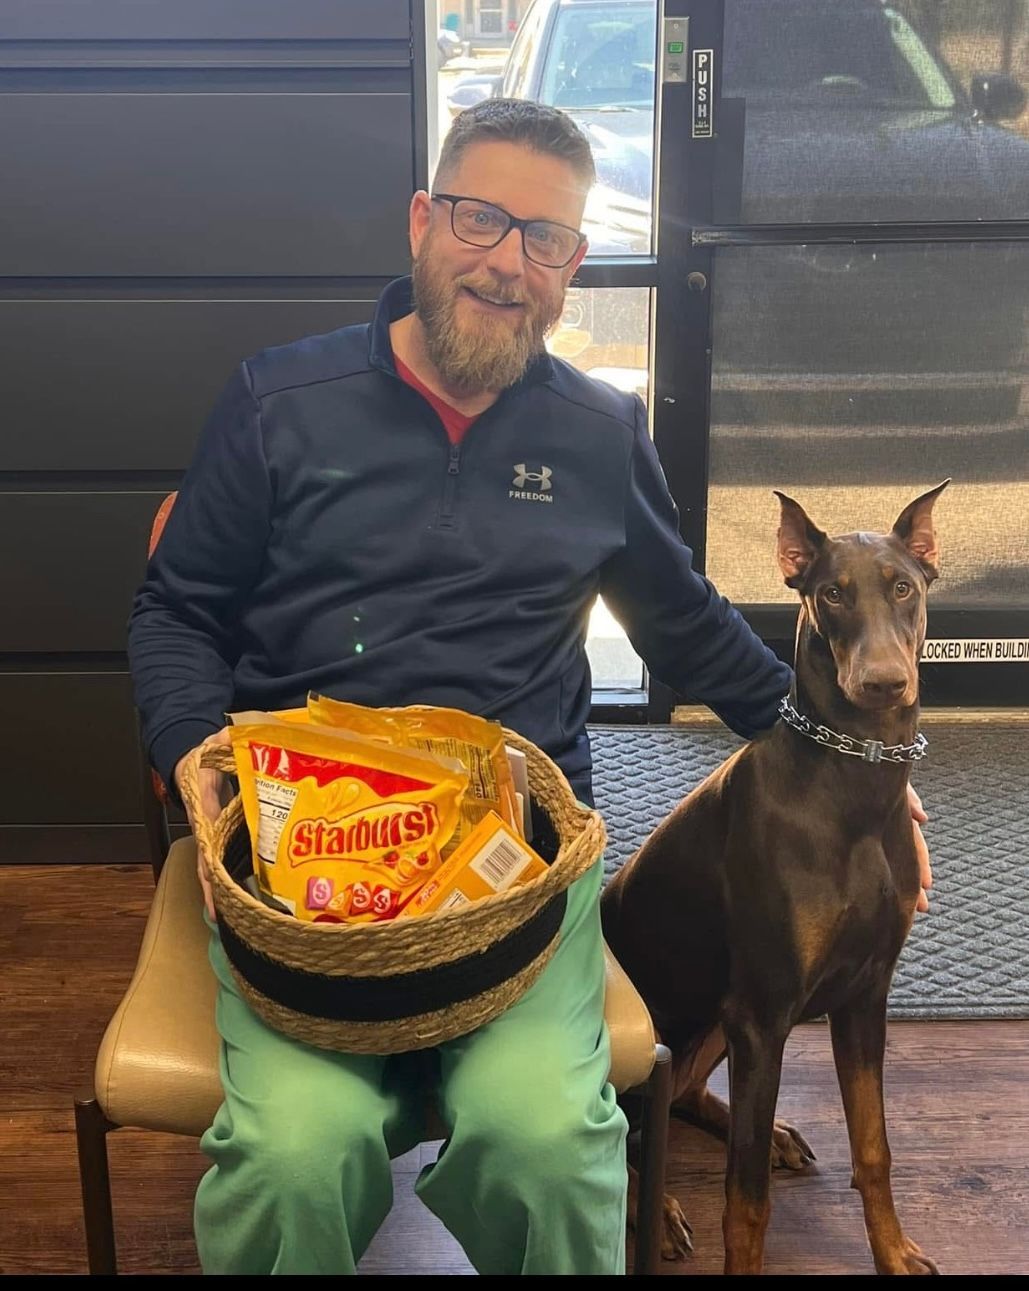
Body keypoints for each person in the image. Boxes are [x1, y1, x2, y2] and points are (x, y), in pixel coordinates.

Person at [128, 98, 930, 1276]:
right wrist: (197, 749)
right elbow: (176, 611)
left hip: (520, 869)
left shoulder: (600, 433)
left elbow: (692, 628)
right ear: (421, 222)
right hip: (306, 869)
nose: (508, 263)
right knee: (298, 1153)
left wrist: (856, 768)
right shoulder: (276, 404)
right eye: (479, 220)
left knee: (550, 1144)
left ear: (572, 267)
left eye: (544, 238)